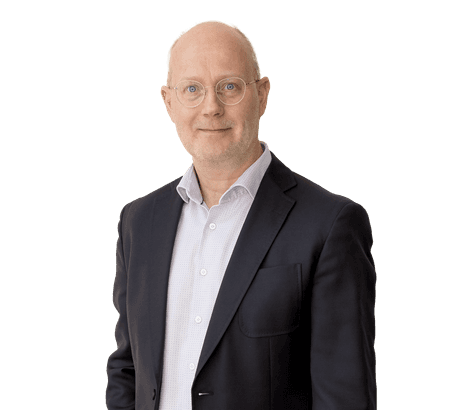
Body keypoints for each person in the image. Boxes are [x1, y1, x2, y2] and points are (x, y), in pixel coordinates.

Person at [106, 20, 377, 410]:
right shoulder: (138, 221)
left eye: (229, 87)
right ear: (168, 102)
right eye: (192, 89)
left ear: (262, 95)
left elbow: (344, 397)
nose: (211, 107)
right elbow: (128, 369)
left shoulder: (329, 224)